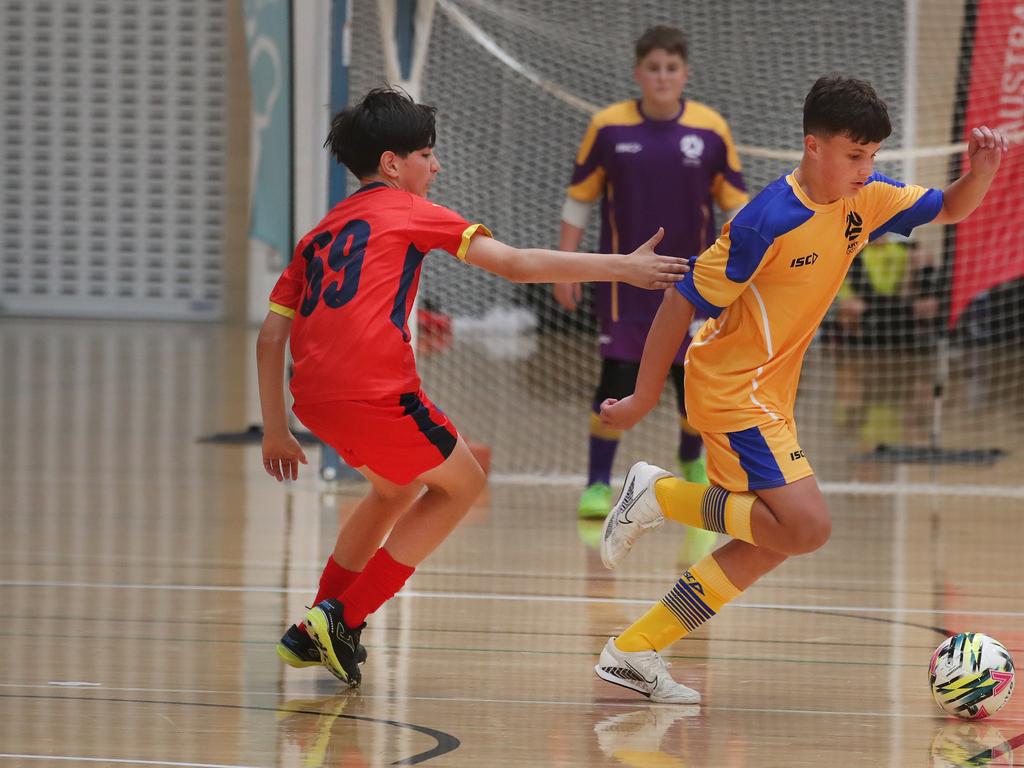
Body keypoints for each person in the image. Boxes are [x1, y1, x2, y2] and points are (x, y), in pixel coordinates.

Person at [593, 74, 1007, 704]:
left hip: (769, 393)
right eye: (854, 156)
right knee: (807, 527)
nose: (866, 169)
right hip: (733, 390)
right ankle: (660, 494)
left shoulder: (864, 199)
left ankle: (634, 650)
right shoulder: (765, 221)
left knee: (770, 541)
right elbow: (681, 304)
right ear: (814, 146)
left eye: (871, 157)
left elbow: (950, 207)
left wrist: (979, 173)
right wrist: (646, 397)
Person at [256, 87, 689, 687]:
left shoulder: (320, 233)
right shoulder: (406, 210)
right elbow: (514, 265)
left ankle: (315, 628)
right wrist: (623, 267)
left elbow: (269, 339)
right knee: (464, 485)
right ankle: (345, 617)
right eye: (428, 155)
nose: (437, 167)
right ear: (392, 164)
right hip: (377, 389)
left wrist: (276, 430)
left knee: (391, 492)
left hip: (313, 399)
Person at [553, 25, 749, 520]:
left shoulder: (710, 129)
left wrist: (742, 271)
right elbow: (579, 202)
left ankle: (693, 462)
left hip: (693, 288)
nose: (662, 77)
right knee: (613, 387)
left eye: (672, 69)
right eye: (654, 68)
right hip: (626, 291)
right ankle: (598, 483)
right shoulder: (608, 127)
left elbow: (737, 207)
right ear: (639, 73)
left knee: (694, 392)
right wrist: (563, 267)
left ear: (686, 74)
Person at [832, 235, 941, 345]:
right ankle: (858, 344)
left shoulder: (900, 248)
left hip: (901, 298)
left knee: (929, 305)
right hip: (868, 300)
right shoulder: (856, 252)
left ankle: (919, 340)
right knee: (849, 308)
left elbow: (923, 257)